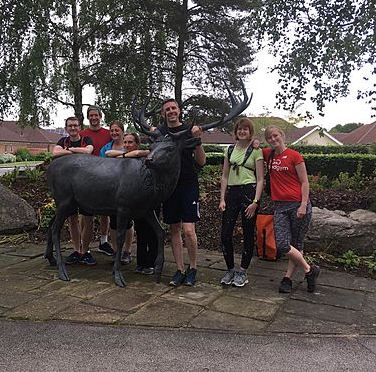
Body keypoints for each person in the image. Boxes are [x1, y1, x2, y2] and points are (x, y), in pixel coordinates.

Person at [262, 125, 320, 293]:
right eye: (269, 138)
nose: (273, 140)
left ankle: (287, 279)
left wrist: (303, 205)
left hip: (298, 205)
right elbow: (252, 148)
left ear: (282, 135)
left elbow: (304, 182)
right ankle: (309, 270)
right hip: (279, 206)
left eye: (275, 136)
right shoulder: (268, 154)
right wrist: (256, 144)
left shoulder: (295, 156)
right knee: (282, 244)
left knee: (296, 243)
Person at [157, 98, 206, 287]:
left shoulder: (189, 130)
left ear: (179, 110)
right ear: (163, 114)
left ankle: (193, 267)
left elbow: (201, 162)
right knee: (174, 229)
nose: (171, 111)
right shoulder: (160, 133)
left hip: (188, 184)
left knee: (189, 230)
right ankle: (180, 269)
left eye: (173, 108)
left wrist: (198, 140)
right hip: (169, 186)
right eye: (167, 109)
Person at [218, 117, 264, 287]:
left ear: (250, 132)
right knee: (225, 234)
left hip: (249, 193)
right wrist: (222, 198)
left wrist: (256, 201)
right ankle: (230, 269)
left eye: (245, 129)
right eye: (239, 129)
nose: (242, 131)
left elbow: (260, 179)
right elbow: (224, 175)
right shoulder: (229, 150)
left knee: (247, 232)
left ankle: (243, 271)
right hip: (232, 193)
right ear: (236, 132)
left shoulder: (256, 151)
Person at [52, 116, 97, 266]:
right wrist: (77, 152)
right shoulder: (61, 141)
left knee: (87, 218)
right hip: (68, 187)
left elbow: (89, 151)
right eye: (70, 126)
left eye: (75, 126)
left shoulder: (87, 140)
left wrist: (69, 150)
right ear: (66, 128)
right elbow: (55, 153)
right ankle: (77, 250)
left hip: (86, 185)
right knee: (72, 219)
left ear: (79, 127)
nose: (73, 128)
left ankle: (85, 250)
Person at [106, 133, 153, 271]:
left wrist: (128, 155)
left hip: (136, 199)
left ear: (136, 143)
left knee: (133, 226)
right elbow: (108, 153)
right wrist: (126, 154)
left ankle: (130, 253)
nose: (126, 145)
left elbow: (145, 152)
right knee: (115, 223)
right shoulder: (120, 154)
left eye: (130, 142)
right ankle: (117, 252)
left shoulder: (142, 157)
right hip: (117, 196)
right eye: (125, 142)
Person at [80, 106, 114, 256]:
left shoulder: (108, 134)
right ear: (88, 118)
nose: (94, 118)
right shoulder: (83, 134)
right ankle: (84, 245)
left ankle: (104, 241)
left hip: (106, 176)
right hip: (87, 177)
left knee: (105, 212)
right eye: (91, 115)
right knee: (86, 214)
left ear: (100, 117)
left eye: (96, 115)